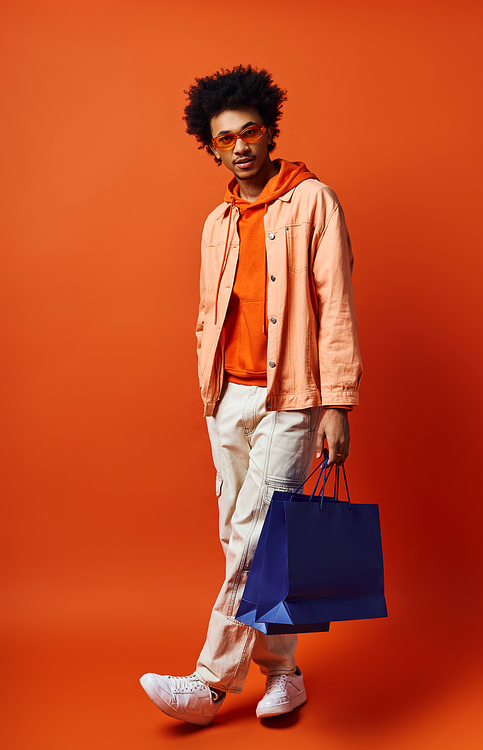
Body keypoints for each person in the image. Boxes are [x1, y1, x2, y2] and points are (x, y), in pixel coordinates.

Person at [140, 64, 362, 726]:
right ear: (211, 148)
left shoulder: (314, 201)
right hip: (226, 399)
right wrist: (208, 391)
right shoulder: (217, 221)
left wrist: (337, 404)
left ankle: (209, 683)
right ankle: (284, 672)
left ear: (270, 135)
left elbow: (337, 306)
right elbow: (213, 314)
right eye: (225, 138)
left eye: (250, 133)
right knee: (250, 537)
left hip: (290, 398)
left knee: (256, 540)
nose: (239, 146)